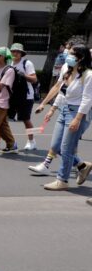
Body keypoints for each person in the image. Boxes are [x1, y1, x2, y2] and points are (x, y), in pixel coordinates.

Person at [39, 45, 92, 190]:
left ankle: (62, 180)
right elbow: (58, 89)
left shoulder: (88, 75)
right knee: (57, 146)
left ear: (80, 58)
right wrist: (46, 105)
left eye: (72, 54)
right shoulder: (68, 72)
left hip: (76, 113)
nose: (68, 56)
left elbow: (87, 99)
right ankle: (82, 166)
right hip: (64, 110)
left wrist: (77, 119)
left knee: (67, 148)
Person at [9, 43, 37, 151]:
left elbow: (34, 79)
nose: (14, 53)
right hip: (12, 95)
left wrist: (23, 75)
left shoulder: (27, 63)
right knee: (3, 119)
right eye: (13, 51)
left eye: (17, 51)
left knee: (26, 120)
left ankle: (31, 141)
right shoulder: (10, 63)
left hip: (26, 96)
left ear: (21, 53)